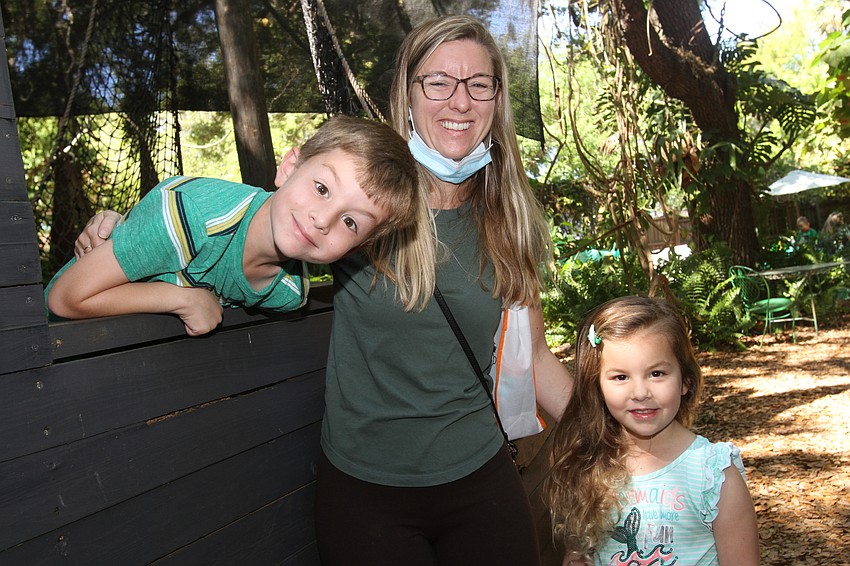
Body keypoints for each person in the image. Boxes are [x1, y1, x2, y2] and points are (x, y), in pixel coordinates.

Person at [74, 15, 574, 565]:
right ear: (408, 92)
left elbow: (536, 356)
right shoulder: (361, 204)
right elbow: (256, 221)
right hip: (370, 493)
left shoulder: (509, 219)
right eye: (438, 82)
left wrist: (622, 441)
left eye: (478, 84)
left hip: (481, 476)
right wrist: (125, 233)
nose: (459, 101)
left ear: (496, 100)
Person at [47, 115, 421, 336]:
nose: (322, 220)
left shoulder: (286, 291)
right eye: (322, 188)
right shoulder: (195, 215)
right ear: (289, 168)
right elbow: (64, 298)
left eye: (351, 222)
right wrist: (183, 300)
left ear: (354, 250)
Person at [545, 296, 760, 566]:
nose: (640, 393)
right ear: (597, 387)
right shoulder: (590, 467)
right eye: (620, 377)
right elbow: (576, 556)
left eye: (656, 373)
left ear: (685, 380)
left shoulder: (713, 474)